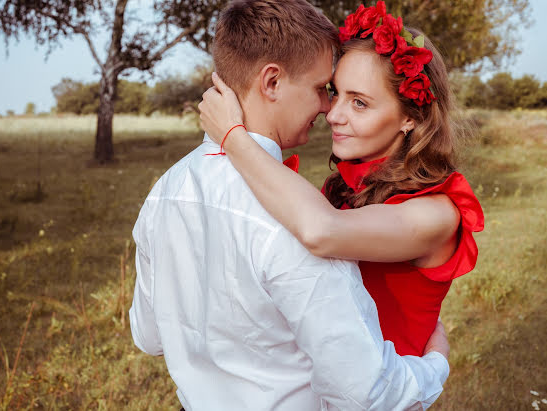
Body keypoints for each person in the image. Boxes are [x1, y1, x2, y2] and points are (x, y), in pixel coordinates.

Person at [130, 1, 450, 409]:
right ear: (272, 82)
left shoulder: (164, 192)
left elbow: (149, 336)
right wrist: (435, 365)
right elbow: (367, 394)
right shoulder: (294, 219)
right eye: (322, 89)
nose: (327, 109)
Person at [199, 0, 484, 357]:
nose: (333, 114)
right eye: (335, 92)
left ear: (409, 118)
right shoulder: (342, 191)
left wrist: (232, 135)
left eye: (359, 103)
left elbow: (322, 232)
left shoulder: (436, 214)